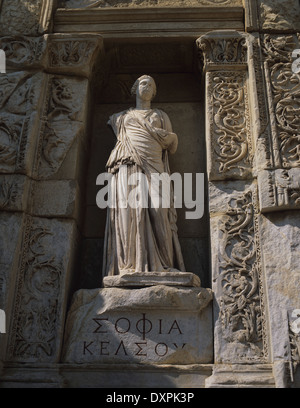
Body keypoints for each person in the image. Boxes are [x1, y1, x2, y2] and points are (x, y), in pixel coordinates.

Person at [102, 75, 185, 277]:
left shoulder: (161, 115)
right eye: (143, 83)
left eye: (151, 85)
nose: (146, 86)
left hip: (155, 167)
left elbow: (171, 145)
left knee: (160, 212)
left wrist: (169, 137)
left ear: (154, 92)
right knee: (128, 214)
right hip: (127, 164)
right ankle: (128, 265)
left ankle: (165, 264)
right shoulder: (119, 118)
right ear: (135, 89)